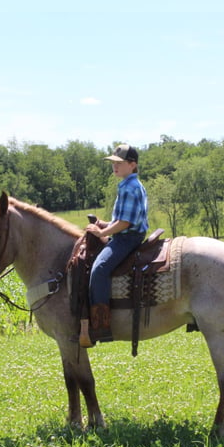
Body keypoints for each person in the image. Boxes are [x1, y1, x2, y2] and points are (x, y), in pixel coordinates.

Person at [84, 144, 148, 344]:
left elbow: (125, 223)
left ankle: (101, 324)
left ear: (132, 165)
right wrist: (104, 224)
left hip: (127, 237)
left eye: (119, 163)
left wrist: (102, 232)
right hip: (125, 233)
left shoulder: (130, 188)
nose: (115, 166)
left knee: (99, 269)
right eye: (113, 163)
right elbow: (120, 220)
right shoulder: (128, 185)